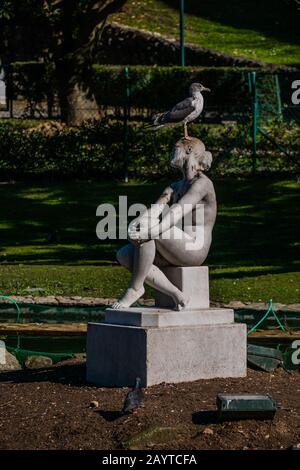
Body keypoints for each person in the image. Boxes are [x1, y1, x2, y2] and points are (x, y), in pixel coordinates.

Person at [112, 137, 216, 310]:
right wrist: (135, 225)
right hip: (175, 244)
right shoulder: (175, 186)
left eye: (175, 147)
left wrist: (149, 231)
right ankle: (177, 294)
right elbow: (154, 211)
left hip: (195, 248)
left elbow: (177, 212)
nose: (171, 152)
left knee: (148, 231)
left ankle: (135, 288)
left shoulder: (202, 184)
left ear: (189, 151)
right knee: (124, 255)